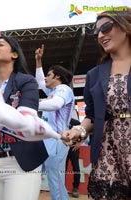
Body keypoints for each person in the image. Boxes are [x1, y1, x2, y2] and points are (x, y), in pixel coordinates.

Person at [62, 9, 131, 200]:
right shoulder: (93, 75)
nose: (101, 35)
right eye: (97, 32)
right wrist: (79, 131)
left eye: (106, 27)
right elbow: (92, 116)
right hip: (108, 152)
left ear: (126, 27)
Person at [0, 36, 48, 200]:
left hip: (21, 161)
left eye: (0, 45)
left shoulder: (27, 82)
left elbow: (26, 119)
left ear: (14, 54)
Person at [35, 44, 74, 200]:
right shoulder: (52, 91)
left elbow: (56, 105)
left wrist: (30, 103)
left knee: (55, 179)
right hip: (46, 140)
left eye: (48, 75)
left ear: (57, 77)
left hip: (58, 139)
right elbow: (39, 82)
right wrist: (38, 61)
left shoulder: (64, 89)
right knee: (41, 176)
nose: (45, 78)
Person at [65, 118, 81, 198]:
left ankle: (76, 188)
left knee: (76, 168)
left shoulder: (76, 122)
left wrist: (79, 143)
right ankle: (62, 187)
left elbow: (83, 133)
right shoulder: (61, 121)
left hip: (74, 148)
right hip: (63, 148)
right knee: (63, 168)